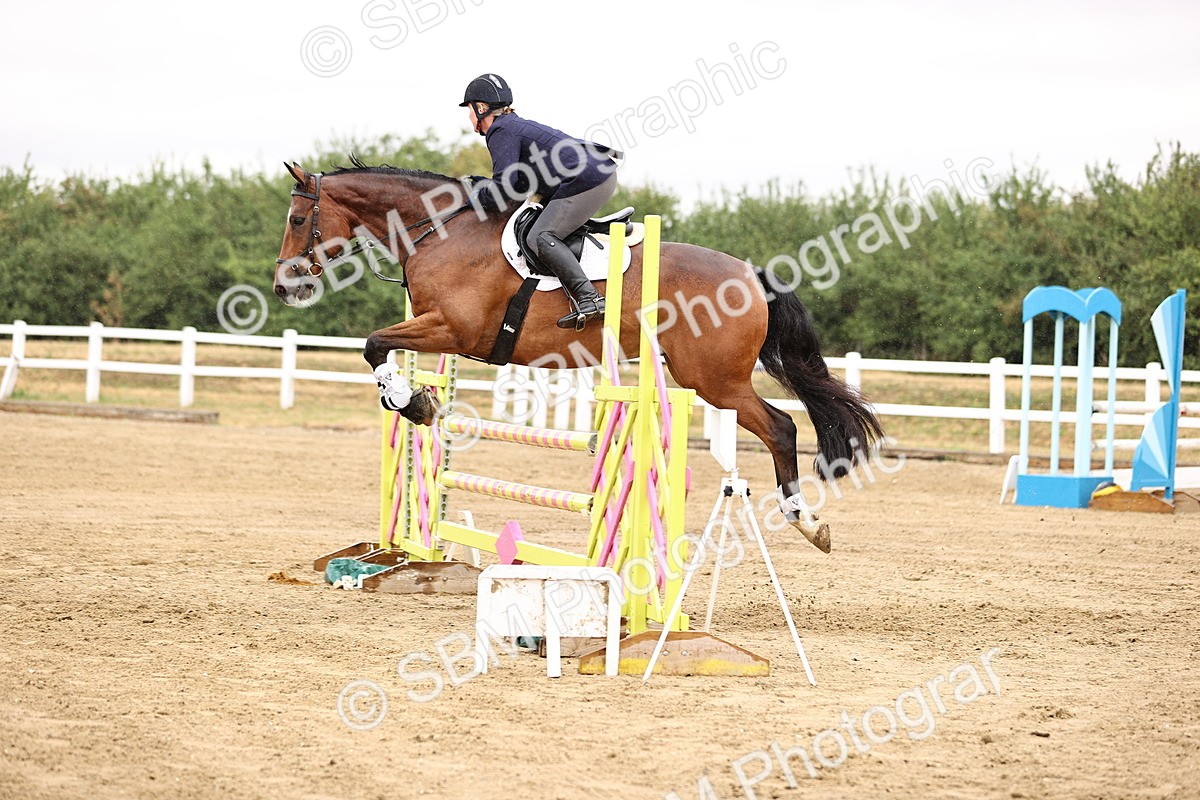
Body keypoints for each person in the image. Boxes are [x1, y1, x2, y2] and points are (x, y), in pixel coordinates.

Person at [460, 73, 619, 330]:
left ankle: (590, 298)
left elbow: (506, 187)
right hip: (595, 174)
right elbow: (520, 183)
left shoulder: (501, 131)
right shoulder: (512, 126)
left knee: (540, 236)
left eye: (469, 110)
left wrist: (474, 199)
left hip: (589, 179)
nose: (469, 117)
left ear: (481, 108)